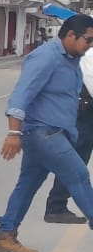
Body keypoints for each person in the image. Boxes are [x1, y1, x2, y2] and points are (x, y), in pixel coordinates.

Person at [0, 14, 93, 252]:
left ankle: (5, 235)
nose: (90, 46)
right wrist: (13, 132)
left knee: (27, 184)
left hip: (52, 133)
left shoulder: (70, 59)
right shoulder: (46, 57)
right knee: (78, 176)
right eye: (87, 40)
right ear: (70, 35)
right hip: (43, 133)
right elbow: (21, 94)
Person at [43, 45, 93, 224]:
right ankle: (56, 206)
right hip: (84, 112)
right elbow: (90, 80)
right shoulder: (89, 53)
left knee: (79, 159)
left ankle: (57, 205)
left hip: (84, 111)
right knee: (76, 159)